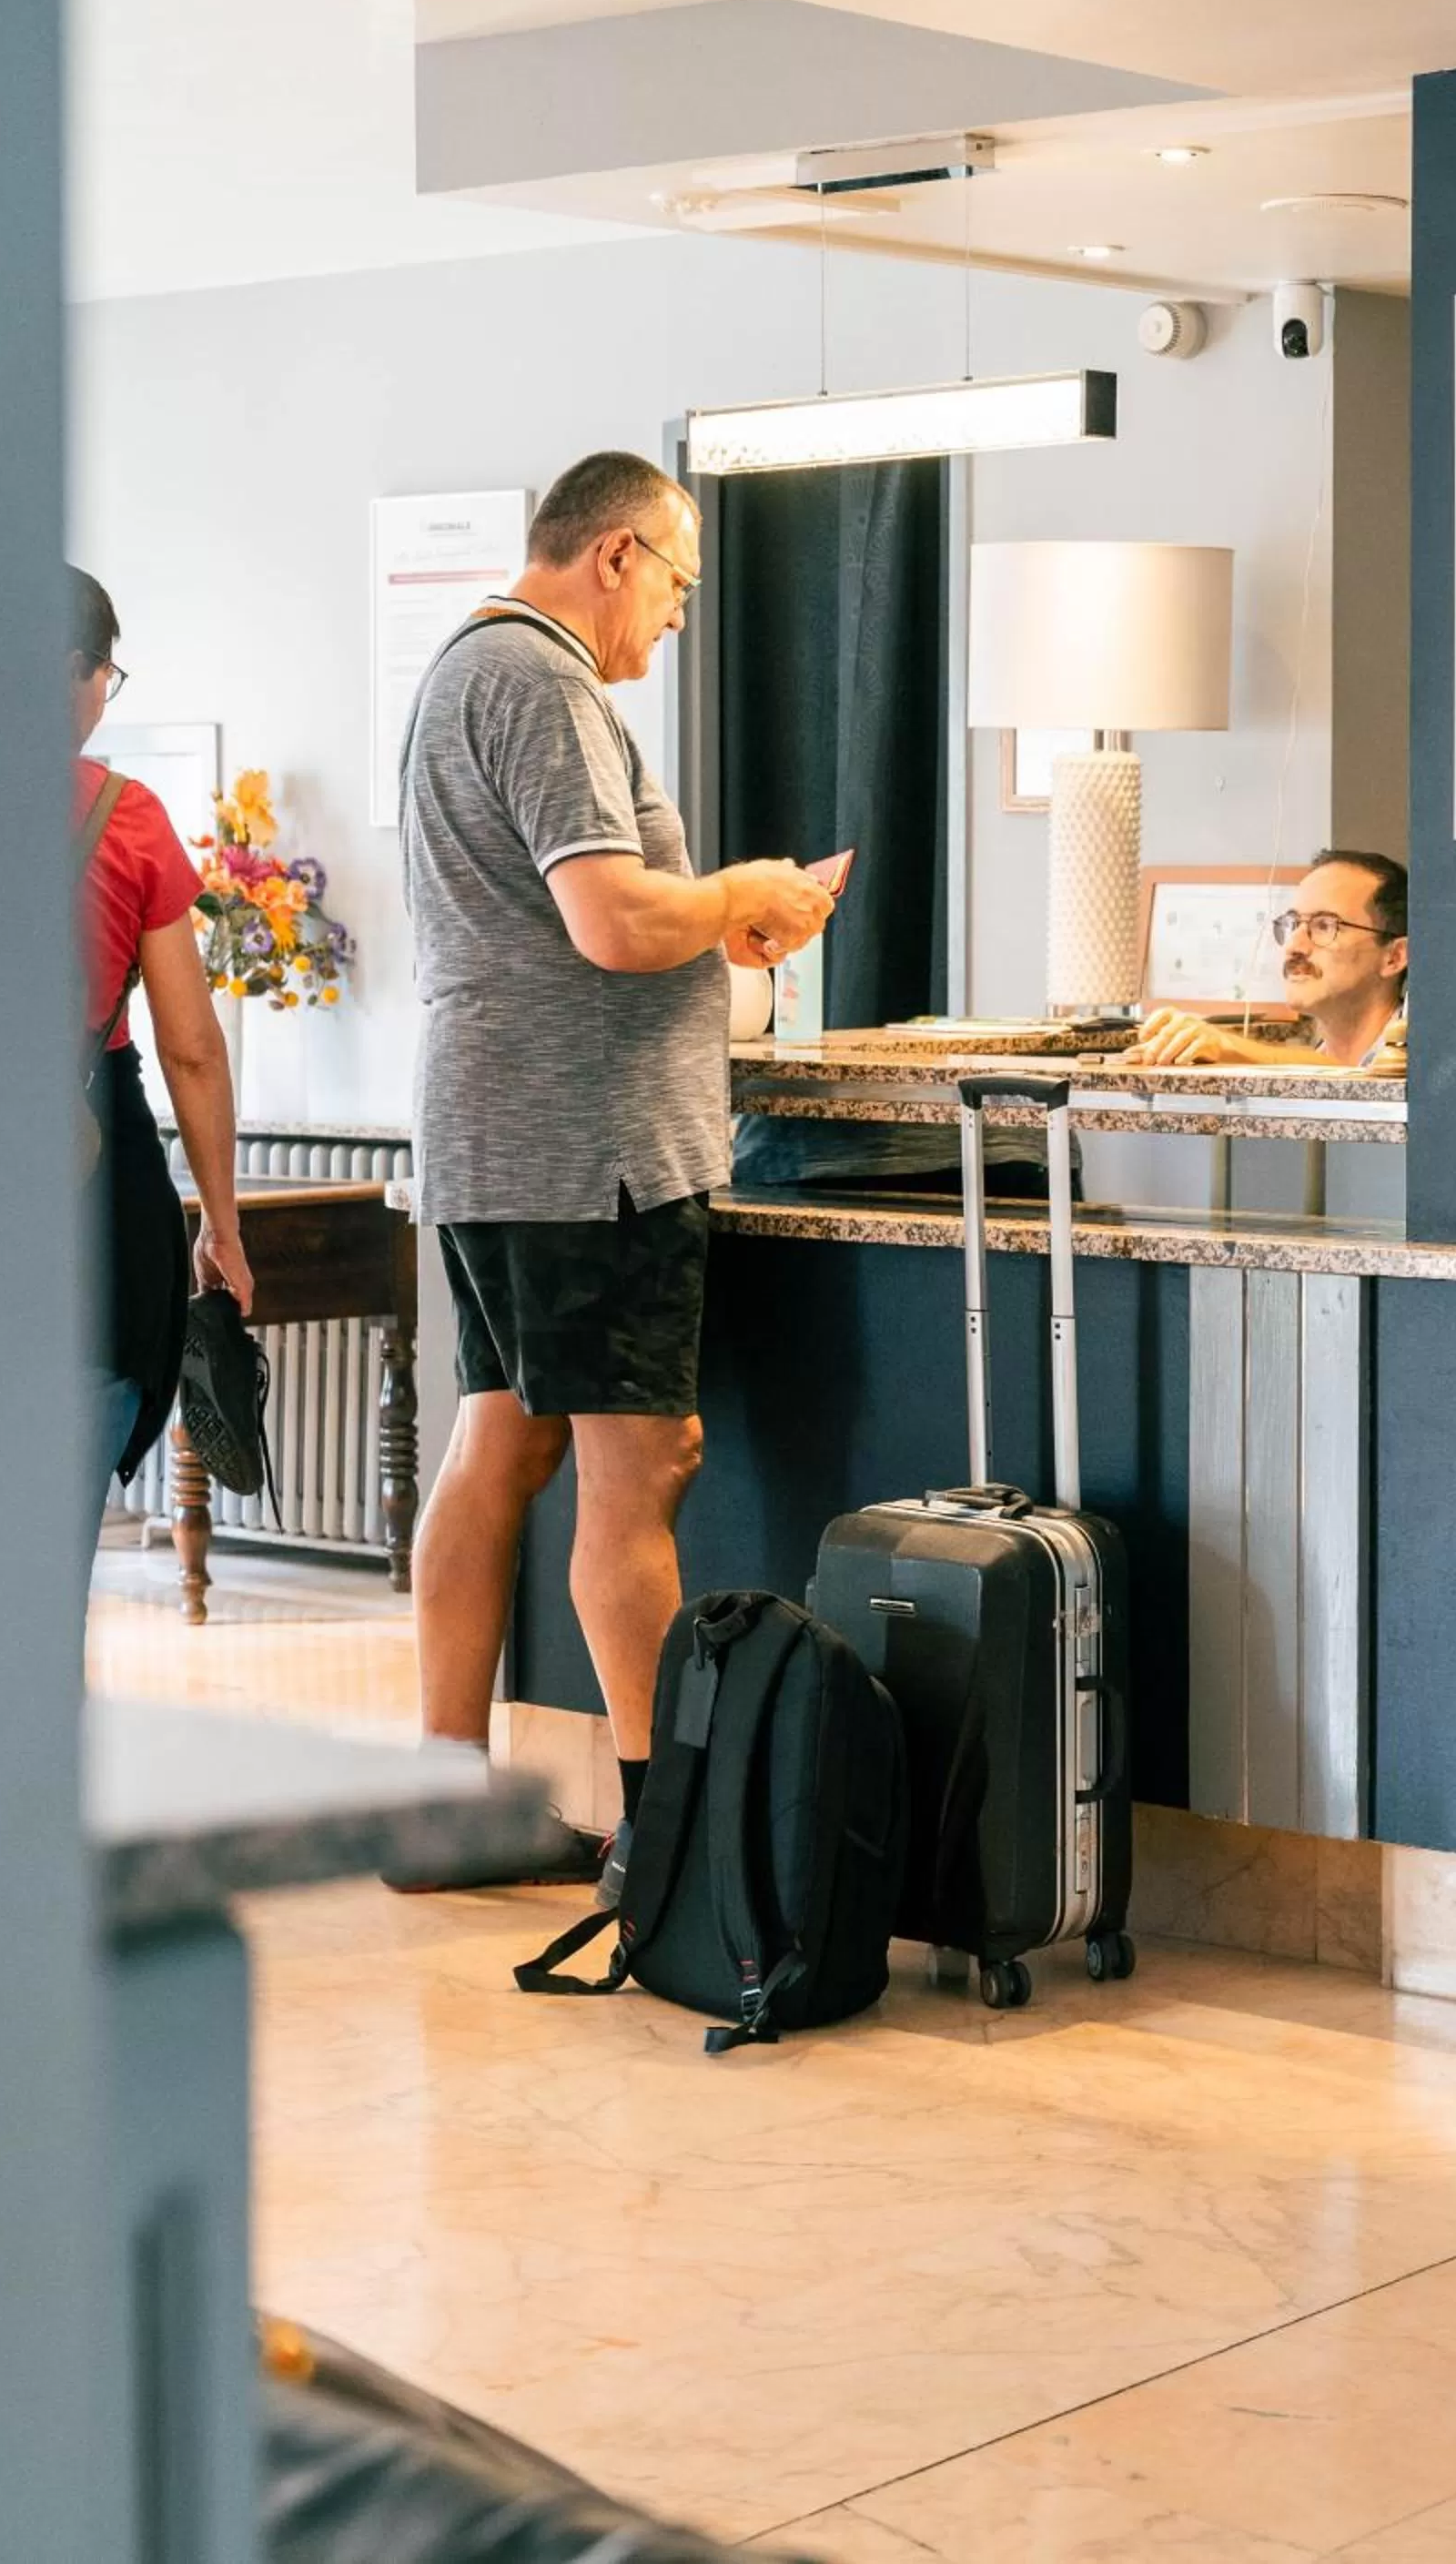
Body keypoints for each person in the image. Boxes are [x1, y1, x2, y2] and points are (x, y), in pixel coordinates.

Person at [399, 450, 834, 1898]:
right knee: (639, 1473)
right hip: (586, 1155)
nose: (676, 621)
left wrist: (709, 926)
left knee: (503, 1448)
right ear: (619, 556)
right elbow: (604, 918)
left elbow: (592, 918)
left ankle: (444, 1807)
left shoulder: (470, 668)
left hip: (502, 1139)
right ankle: (670, 1845)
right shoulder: (541, 680)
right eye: (679, 587)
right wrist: (742, 895)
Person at [72, 566, 252, 1542]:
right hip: (92, 1170)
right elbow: (191, 1049)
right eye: (110, 672)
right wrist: (221, 1226)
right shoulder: (125, 816)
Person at [1125, 847, 1409, 1070]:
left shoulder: (1429, 1064)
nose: (1294, 945)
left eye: (1325, 925)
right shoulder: (1310, 1065)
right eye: (1292, 923)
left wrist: (1226, 1045)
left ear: (1394, 958)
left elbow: (1361, 1079)